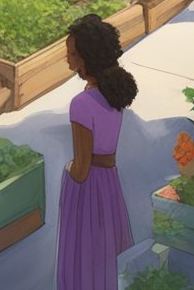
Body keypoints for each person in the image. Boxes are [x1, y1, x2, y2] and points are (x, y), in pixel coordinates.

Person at [57, 14, 137, 290]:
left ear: (86, 58)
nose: (67, 59)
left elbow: (80, 169)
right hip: (109, 184)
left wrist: (66, 170)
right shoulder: (114, 93)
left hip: (88, 190)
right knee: (108, 254)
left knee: (85, 258)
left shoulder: (81, 104)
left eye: (72, 54)